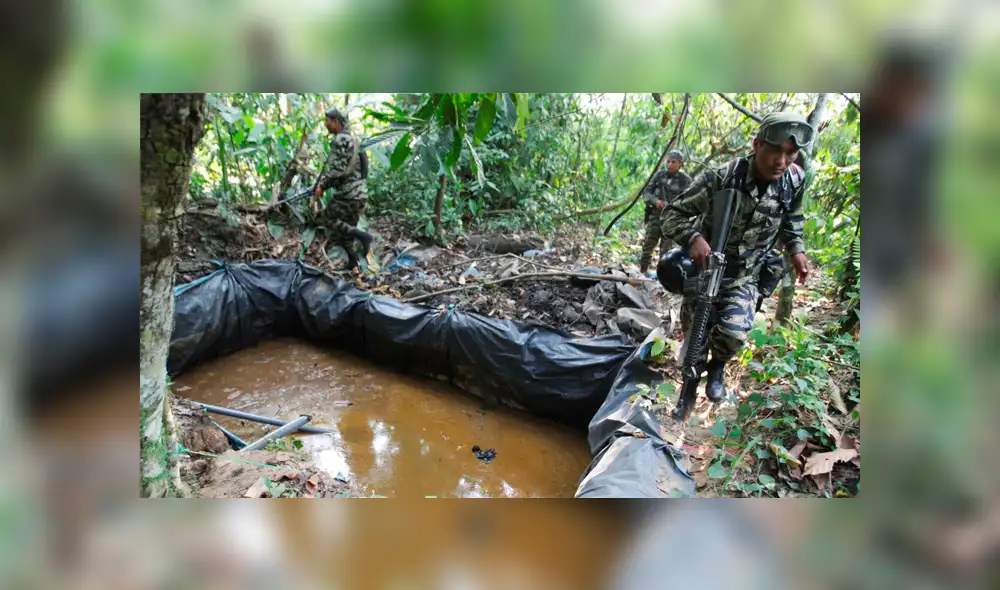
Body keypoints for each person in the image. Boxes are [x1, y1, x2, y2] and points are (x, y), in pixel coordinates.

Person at [660, 112, 812, 416]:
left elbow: (792, 220)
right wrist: (693, 239)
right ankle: (687, 393)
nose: (781, 161)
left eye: (790, 154)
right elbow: (671, 214)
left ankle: (718, 368)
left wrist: (796, 249)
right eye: (775, 151)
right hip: (705, 271)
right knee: (694, 337)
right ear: (756, 145)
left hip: (747, 274)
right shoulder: (721, 178)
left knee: (734, 333)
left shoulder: (793, 181)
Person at [312, 107, 373, 270]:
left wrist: (322, 187)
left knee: (327, 219)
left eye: (327, 121)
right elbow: (364, 169)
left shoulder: (341, 140)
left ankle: (364, 237)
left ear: (336, 122)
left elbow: (336, 170)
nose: (325, 124)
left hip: (348, 195)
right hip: (360, 195)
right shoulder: (354, 140)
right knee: (346, 233)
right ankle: (354, 263)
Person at [639, 151, 692, 275]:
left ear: (680, 163)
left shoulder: (685, 180)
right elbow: (646, 193)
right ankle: (642, 272)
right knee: (648, 245)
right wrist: (655, 201)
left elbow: (689, 200)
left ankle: (661, 275)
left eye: (673, 162)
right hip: (655, 216)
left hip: (672, 219)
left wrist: (673, 207)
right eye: (668, 161)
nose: (670, 164)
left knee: (666, 250)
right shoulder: (659, 175)